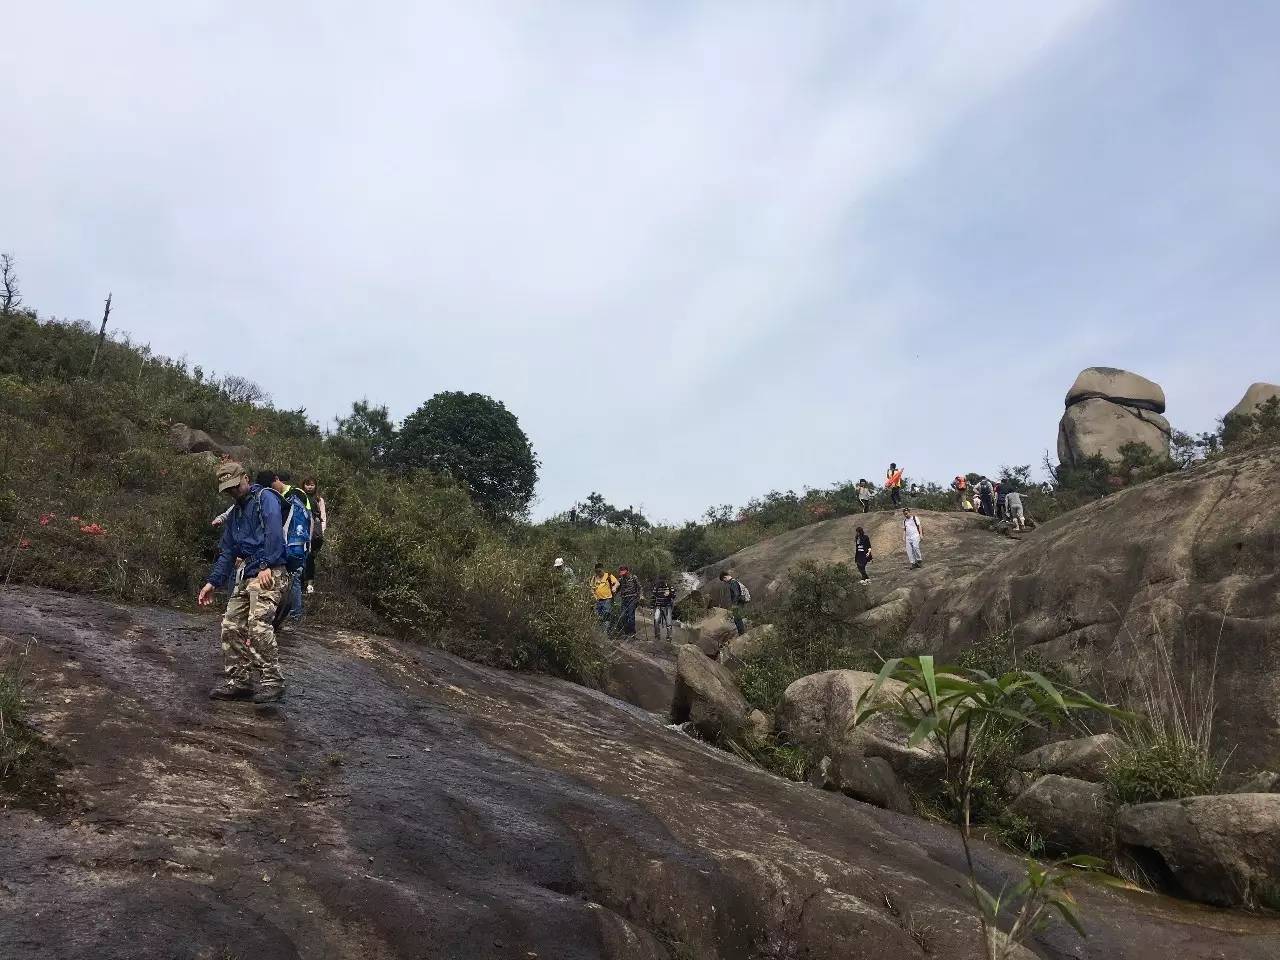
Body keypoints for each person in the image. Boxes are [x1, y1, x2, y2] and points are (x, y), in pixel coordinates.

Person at [197, 461, 289, 703]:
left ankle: (272, 681)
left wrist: (265, 565)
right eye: (228, 489)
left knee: (258, 624)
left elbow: (274, 533)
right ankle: (240, 681)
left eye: (235, 486)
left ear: (246, 479)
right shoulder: (236, 513)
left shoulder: (265, 498)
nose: (232, 492)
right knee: (230, 625)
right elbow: (227, 551)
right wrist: (212, 583)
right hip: (248, 571)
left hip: (270, 569)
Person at [301, 477, 326, 595]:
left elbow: (323, 518)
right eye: (307, 484)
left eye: (312, 485)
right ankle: (300, 583)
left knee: (310, 558)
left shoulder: (319, 500)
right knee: (300, 558)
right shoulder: (300, 497)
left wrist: (321, 532)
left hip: (315, 535)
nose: (310, 487)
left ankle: (310, 584)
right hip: (301, 533)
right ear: (303, 485)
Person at [718, 569, 748, 636]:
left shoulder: (733, 583)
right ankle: (741, 633)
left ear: (725, 577)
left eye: (723, 580)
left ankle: (741, 634)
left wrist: (734, 604)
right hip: (739, 602)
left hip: (737, 603)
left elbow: (736, 594)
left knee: (737, 618)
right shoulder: (734, 581)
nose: (724, 582)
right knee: (737, 618)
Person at [615, 565, 643, 636]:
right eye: (622, 573)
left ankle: (632, 633)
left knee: (631, 616)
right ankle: (626, 632)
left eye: (624, 573)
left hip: (632, 598)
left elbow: (639, 588)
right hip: (624, 599)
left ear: (628, 571)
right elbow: (617, 589)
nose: (623, 575)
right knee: (623, 616)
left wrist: (641, 596)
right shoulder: (621, 579)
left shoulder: (634, 578)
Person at [591, 564, 619, 632]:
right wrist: (593, 595)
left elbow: (617, 583)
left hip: (607, 600)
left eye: (600, 571)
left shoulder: (608, 576)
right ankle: (600, 632)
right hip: (597, 601)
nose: (598, 573)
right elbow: (592, 588)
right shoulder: (594, 578)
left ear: (602, 569)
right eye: (597, 572)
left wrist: (614, 587)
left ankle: (605, 633)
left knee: (606, 616)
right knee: (599, 617)